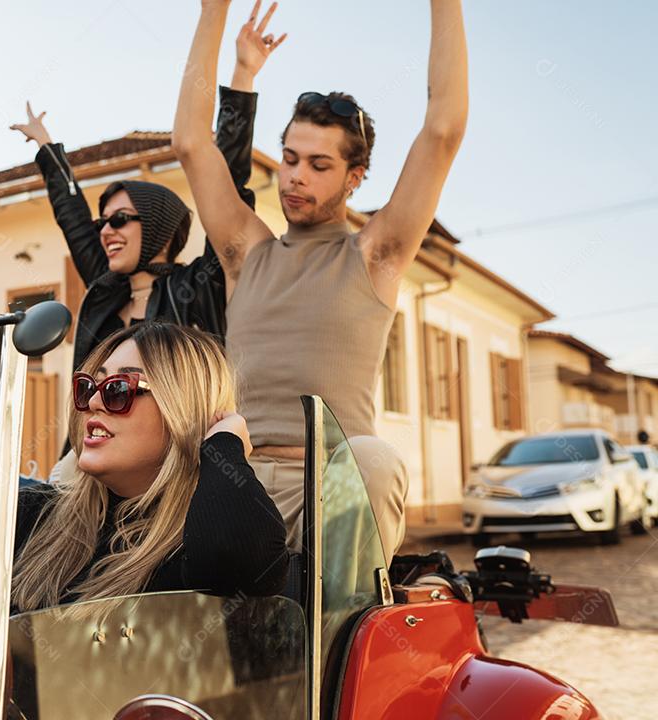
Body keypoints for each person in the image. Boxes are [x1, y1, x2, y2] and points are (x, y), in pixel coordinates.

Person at [173, 0, 469, 558]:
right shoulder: (246, 252)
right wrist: (214, 12)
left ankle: (340, 629)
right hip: (238, 486)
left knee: (377, 459)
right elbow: (191, 143)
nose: (295, 177)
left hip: (332, 488)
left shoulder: (376, 254)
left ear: (355, 178)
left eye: (319, 165)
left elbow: (443, 130)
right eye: (289, 158)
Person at [9, 16, 284, 372]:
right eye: (104, 222)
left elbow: (227, 180)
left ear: (158, 226)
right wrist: (47, 147)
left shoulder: (200, 286)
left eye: (120, 220)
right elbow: (73, 217)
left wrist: (243, 75)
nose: (106, 231)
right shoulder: (105, 289)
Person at [10, 322, 287, 614]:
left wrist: (223, 444)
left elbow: (241, 563)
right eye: (89, 387)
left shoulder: (193, 547)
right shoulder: (32, 513)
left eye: (117, 390)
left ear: (180, 410)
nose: (93, 402)